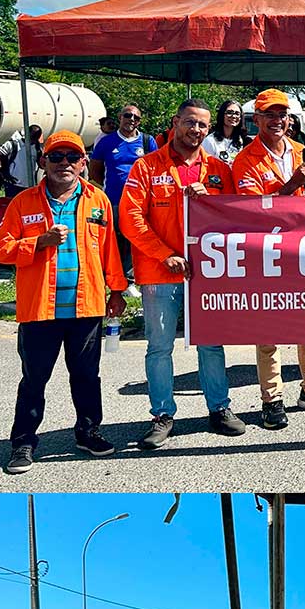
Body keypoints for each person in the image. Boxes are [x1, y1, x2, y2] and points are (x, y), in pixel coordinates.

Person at [0, 130, 127, 476]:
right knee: (34, 378)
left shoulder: (98, 201)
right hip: (41, 308)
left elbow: (109, 250)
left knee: (86, 375)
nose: (64, 164)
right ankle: (23, 442)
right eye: (56, 157)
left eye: (72, 157)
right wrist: (40, 241)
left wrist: (116, 291)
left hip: (86, 307)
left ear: (84, 163)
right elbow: (3, 250)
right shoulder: (22, 203)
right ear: (43, 162)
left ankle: (88, 432)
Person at [121, 98, 245, 451]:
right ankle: (162, 415)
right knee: (159, 348)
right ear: (175, 123)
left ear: (210, 129)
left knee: (211, 343)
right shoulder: (146, 167)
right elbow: (130, 218)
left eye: (202, 125)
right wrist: (165, 255)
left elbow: (235, 218)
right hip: (160, 272)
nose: (196, 130)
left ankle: (219, 408)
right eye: (190, 123)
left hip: (207, 273)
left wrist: (211, 201)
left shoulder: (219, 171)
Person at [232, 88, 305, 427]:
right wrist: (290, 185)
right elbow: (252, 211)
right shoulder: (245, 160)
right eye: (270, 114)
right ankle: (272, 398)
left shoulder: (300, 151)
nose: (277, 120)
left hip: (302, 249)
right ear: (257, 119)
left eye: (282, 114)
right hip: (265, 253)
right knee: (268, 329)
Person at [88, 103, 156, 281]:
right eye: (127, 115)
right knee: (115, 239)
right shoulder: (106, 141)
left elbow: (156, 168)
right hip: (114, 199)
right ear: (120, 117)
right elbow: (94, 169)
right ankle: (114, 276)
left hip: (140, 201)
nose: (131, 120)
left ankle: (131, 277)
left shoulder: (148, 141)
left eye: (136, 117)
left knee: (136, 238)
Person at [0, 124, 43, 198]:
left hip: (30, 186)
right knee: (12, 207)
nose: (33, 140)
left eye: (36, 137)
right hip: (13, 186)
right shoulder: (14, 144)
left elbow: (41, 164)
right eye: (32, 136)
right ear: (27, 134)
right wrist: (3, 174)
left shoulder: (36, 148)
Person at [201, 99, 248, 164]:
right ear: (222, 114)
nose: (233, 116)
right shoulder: (210, 141)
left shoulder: (241, 140)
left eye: (237, 113)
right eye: (229, 112)